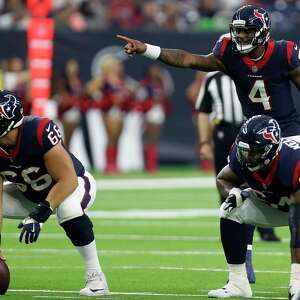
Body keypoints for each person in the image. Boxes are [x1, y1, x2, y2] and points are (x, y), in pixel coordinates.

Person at [117, 4, 300, 297]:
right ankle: (240, 277)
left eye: (247, 31)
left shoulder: (284, 53)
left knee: (295, 195)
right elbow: (190, 60)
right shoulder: (228, 51)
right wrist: (148, 49)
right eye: (237, 30)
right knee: (233, 197)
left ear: (264, 32)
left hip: (289, 133)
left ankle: (296, 279)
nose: (240, 36)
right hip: (252, 134)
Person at [0, 90, 109, 297]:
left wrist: (40, 214)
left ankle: (96, 278)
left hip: (73, 185)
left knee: (68, 210)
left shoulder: (39, 131)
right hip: (29, 194)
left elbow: (67, 179)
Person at [210, 115, 300, 299]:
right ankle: (237, 283)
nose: (248, 157)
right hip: (277, 203)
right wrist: (233, 193)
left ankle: (297, 281)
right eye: (245, 151)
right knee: (230, 209)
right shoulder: (241, 155)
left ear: (271, 150)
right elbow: (223, 178)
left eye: (255, 152)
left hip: (295, 208)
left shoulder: (293, 162)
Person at [196, 71, 280, 241]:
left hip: (250, 133)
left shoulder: (250, 73)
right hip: (223, 131)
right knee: (225, 178)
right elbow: (204, 111)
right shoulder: (212, 78)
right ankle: (230, 227)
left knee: (256, 180)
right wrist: (204, 142)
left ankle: (265, 229)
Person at [85, 55, 136, 174]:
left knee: (117, 138)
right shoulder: (104, 78)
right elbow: (89, 89)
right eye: (117, 65)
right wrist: (99, 96)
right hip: (108, 111)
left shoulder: (122, 80)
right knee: (111, 137)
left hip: (120, 111)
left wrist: (129, 93)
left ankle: (114, 163)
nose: (120, 67)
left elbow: (130, 92)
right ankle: (109, 164)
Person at [137, 63, 172, 173]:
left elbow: (167, 98)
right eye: (154, 69)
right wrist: (150, 105)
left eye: (158, 70)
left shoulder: (162, 83)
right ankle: (150, 165)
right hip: (150, 112)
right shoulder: (145, 84)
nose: (156, 72)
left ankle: (152, 163)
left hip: (159, 112)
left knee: (155, 139)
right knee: (150, 139)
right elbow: (140, 99)